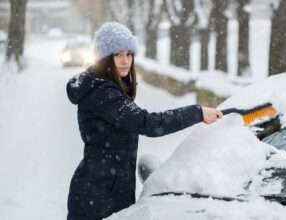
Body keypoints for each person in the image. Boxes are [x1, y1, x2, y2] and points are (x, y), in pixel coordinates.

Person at [66, 22, 223, 220]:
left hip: (106, 190)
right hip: (97, 197)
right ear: (105, 58)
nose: (125, 60)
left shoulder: (106, 88)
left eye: (129, 54)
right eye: (117, 54)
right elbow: (148, 123)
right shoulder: (103, 93)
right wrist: (197, 113)